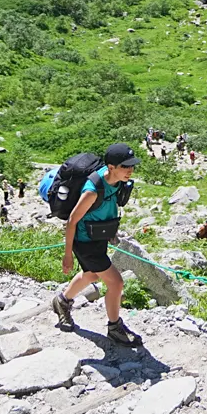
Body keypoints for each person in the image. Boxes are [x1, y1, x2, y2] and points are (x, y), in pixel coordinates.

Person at [51, 142, 142, 346]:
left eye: (131, 166)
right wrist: (68, 255)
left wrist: (111, 231)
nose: (130, 170)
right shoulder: (92, 189)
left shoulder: (117, 180)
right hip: (85, 241)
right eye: (125, 167)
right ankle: (115, 327)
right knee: (116, 282)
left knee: (92, 275)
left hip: (98, 236)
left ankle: (62, 301)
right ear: (111, 167)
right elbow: (72, 221)